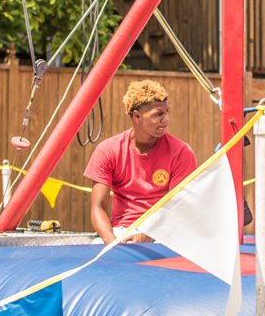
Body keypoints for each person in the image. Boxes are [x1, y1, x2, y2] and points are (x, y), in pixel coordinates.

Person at [84, 80, 197, 244]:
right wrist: (111, 241)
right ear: (137, 116)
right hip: (122, 231)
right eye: (158, 114)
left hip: (165, 233)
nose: (166, 119)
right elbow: (98, 206)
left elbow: (179, 208)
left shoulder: (181, 151)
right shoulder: (108, 150)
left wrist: (149, 236)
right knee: (97, 245)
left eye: (167, 112)